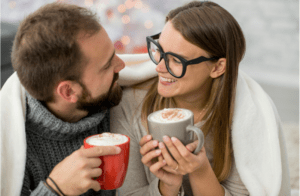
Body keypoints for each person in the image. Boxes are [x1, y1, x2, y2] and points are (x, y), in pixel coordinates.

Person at [110, 1, 291, 196]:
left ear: (217, 68)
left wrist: (199, 170)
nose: (159, 68)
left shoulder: (245, 118)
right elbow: (128, 193)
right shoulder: (130, 103)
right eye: (159, 51)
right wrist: (167, 186)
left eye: (176, 60)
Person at [0, 2, 156, 196]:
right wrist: (55, 189)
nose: (122, 65)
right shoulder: (11, 147)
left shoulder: (122, 103)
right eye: (107, 66)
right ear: (68, 92)